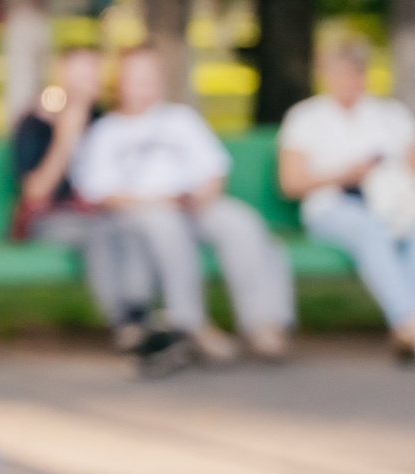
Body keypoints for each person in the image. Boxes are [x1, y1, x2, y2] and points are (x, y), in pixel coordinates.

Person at [73, 43, 296, 364]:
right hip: (140, 213)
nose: (143, 85)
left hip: (193, 205)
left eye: (149, 77)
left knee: (240, 222)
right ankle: (191, 324)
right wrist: (157, 201)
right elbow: (101, 193)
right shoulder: (106, 132)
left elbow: (214, 170)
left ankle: (264, 324)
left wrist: (200, 195)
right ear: (118, 83)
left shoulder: (181, 119)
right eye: (135, 78)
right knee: (165, 225)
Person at [278, 31, 415, 364]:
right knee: (369, 228)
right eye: (338, 73)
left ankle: (408, 325)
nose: (348, 81)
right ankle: (406, 322)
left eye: (355, 72)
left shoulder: (390, 115)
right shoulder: (305, 117)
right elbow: (291, 183)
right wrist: (344, 175)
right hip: (332, 206)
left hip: (391, 202)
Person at [10, 46, 155, 352]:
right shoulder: (34, 123)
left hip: (102, 213)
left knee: (128, 227)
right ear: (61, 76)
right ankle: (126, 321)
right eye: (80, 73)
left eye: (93, 72)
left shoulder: (105, 120)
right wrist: (66, 136)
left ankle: (141, 312)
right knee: (101, 231)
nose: (88, 81)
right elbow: (36, 192)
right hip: (51, 219)